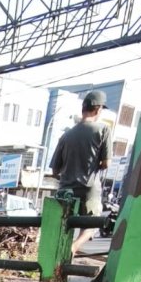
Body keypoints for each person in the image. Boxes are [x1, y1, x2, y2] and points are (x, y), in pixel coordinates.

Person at [50, 90, 113, 255]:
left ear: (83, 108)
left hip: (65, 189)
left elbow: (55, 170)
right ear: (98, 109)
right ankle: (73, 248)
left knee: (61, 227)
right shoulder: (103, 130)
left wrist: (68, 174)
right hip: (88, 187)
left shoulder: (66, 135)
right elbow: (106, 163)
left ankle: (58, 254)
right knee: (91, 226)